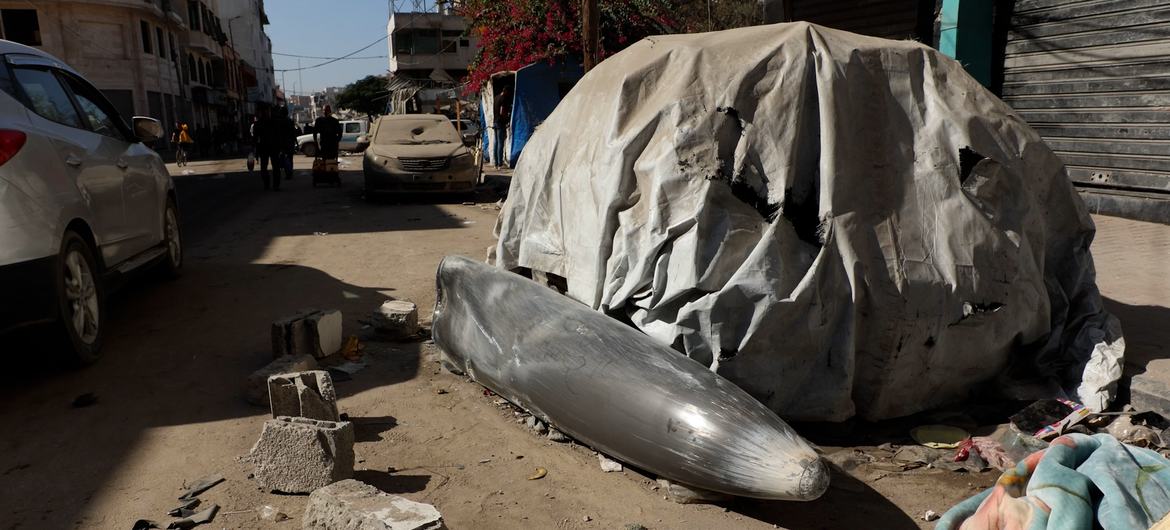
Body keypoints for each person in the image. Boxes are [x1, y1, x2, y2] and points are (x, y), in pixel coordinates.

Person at [493, 86, 512, 169]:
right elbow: (502, 112)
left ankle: (495, 163)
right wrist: (507, 118)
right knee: (500, 143)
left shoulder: (496, 97)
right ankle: (500, 164)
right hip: (500, 123)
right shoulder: (503, 98)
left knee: (496, 142)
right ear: (506, 92)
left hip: (495, 122)